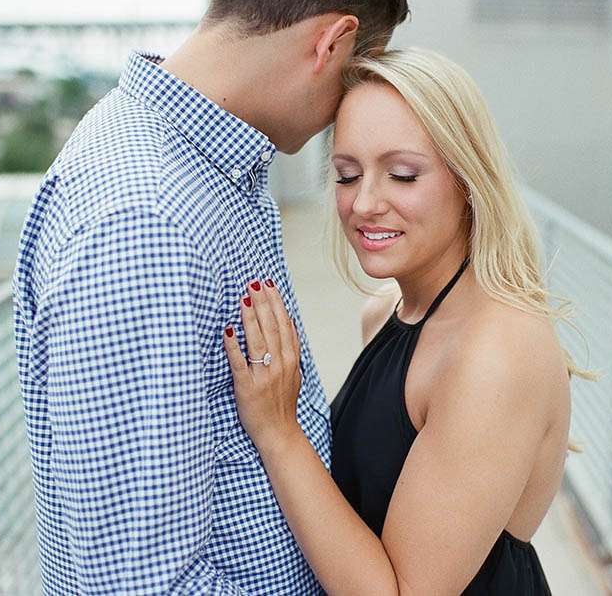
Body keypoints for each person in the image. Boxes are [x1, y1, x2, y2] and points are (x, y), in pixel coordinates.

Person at [12, 0, 408, 593]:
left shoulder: (198, 172)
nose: (345, 108)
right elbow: (137, 583)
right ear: (332, 43)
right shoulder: (144, 221)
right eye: (359, 73)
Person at [222, 48, 585, 595]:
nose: (365, 203)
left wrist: (278, 431)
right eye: (346, 176)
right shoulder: (386, 314)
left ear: (468, 179)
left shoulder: (497, 353)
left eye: (402, 174)